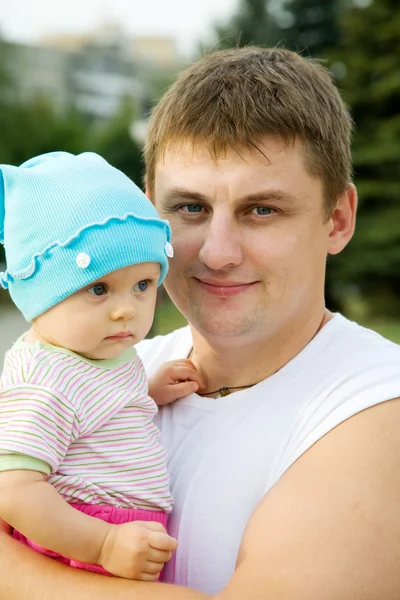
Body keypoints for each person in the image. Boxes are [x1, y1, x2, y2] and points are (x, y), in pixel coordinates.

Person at [1, 46, 400, 599]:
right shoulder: (110, 369)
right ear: (147, 217)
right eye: (189, 208)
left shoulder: (376, 410)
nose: (217, 253)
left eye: (262, 210)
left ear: (337, 219)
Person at [0, 151, 202, 581]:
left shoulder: (96, 353)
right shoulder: (44, 378)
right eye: (98, 289)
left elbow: (91, 413)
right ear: (41, 294)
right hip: (77, 536)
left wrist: (147, 390)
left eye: (143, 285)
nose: (125, 311)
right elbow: (14, 491)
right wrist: (103, 543)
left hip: (115, 533)